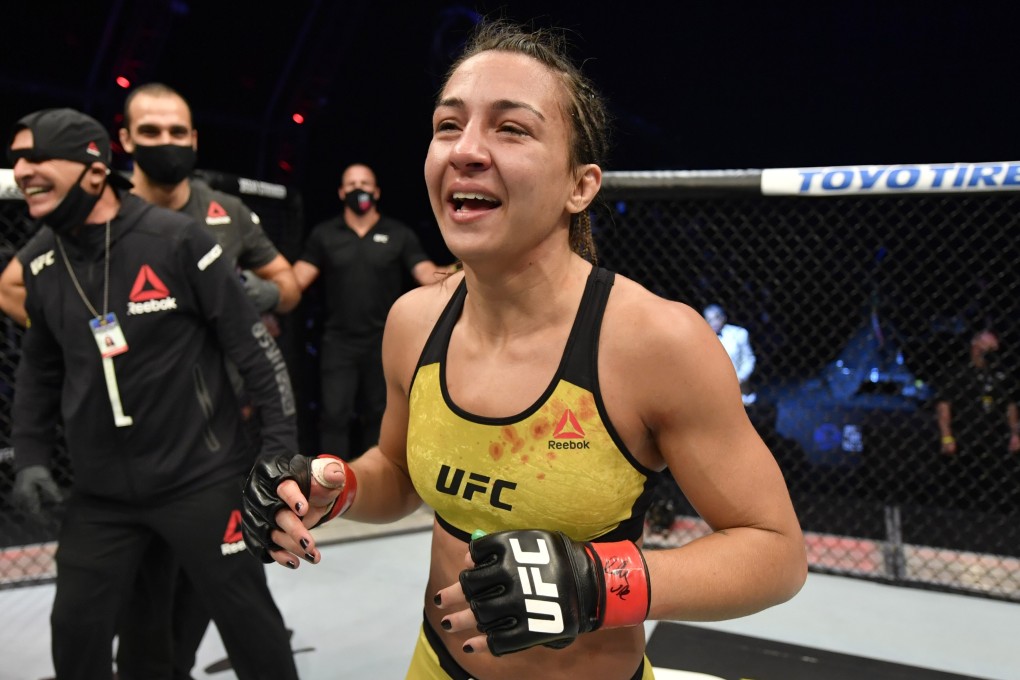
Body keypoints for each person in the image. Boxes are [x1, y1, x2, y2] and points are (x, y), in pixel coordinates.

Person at [241, 19, 806, 680]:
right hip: (435, 663)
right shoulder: (415, 322)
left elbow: (775, 553)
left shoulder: (654, 342)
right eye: (449, 125)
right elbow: (397, 472)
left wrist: (598, 582)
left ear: (581, 185)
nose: (466, 150)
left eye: (511, 128)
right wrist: (330, 488)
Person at [7, 107, 299, 680]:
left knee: (249, 625)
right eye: (17, 158)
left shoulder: (178, 239)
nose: (22, 171)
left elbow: (253, 350)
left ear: (93, 171)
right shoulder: (43, 261)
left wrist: (277, 451)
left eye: (37, 157)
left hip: (200, 479)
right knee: (77, 635)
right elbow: (38, 371)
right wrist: (32, 459)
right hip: (102, 497)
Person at [293, 162, 443, 459]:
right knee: (334, 415)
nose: (358, 189)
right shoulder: (325, 234)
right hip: (338, 341)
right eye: (351, 185)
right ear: (340, 192)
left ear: (376, 191)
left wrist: (470, 267)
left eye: (364, 184)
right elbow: (296, 280)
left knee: (380, 416)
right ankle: (332, 488)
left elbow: (427, 274)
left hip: (384, 342)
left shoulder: (398, 233)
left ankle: (377, 488)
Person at [935, 328, 1019, 510]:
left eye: (994, 349)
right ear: (975, 347)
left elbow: (1010, 406)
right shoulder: (957, 373)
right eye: (987, 347)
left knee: (998, 489)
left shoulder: (1001, 375)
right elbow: (944, 406)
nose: (991, 353)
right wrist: (947, 436)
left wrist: (1015, 433)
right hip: (964, 438)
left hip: (995, 439)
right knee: (961, 488)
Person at [703, 303, 757, 405]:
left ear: (723, 317)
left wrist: (741, 377)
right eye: (709, 320)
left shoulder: (739, 334)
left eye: (716, 318)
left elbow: (749, 359)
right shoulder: (703, 339)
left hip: (742, 390)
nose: (714, 322)